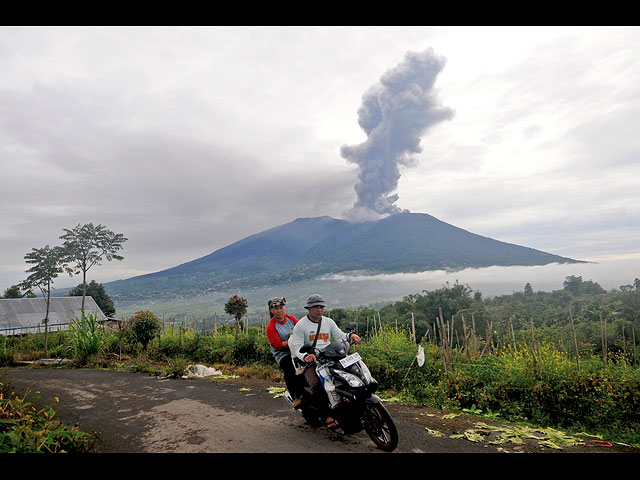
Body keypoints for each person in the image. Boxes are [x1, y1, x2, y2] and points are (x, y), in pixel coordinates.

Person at [291, 294, 361, 428]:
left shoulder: (328, 322)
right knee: (317, 384)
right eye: (316, 307)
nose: (319, 310)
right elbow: (297, 346)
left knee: (351, 376)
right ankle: (326, 415)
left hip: (331, 357)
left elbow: (340, 335)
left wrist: (350, 335)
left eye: (321, 307)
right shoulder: (301, 325)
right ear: (309, 309)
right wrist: (306, 356)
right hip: (312, 362)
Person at [265, 296, 304, 408]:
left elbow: (301, 330)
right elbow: (278, 345)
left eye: (281, 307)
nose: (279, 310)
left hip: (297, 349)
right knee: (290, 367)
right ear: (272, 311)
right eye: (276, 308)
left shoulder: (291, 319)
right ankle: (295, 396)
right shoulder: (271, 327)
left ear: (284, 308)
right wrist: (291, 341)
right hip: (284, 354)